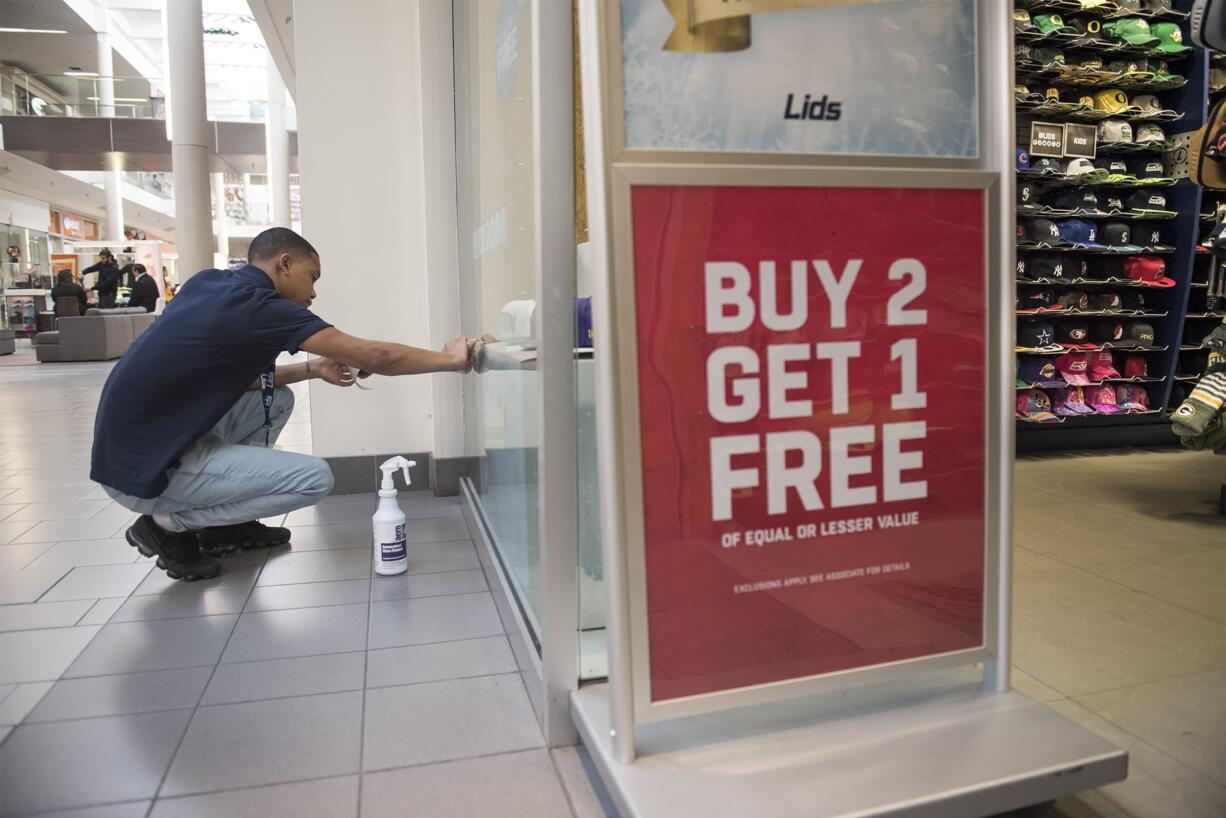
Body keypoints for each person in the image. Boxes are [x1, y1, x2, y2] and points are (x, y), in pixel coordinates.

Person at [90, 227, 470, 581]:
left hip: (128, 449)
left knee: (276, 399)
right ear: (284, 264)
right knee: (316, 478)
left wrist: (313, 369)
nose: (315, 291)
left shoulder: (210, 283)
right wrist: (451, 360)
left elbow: (243, 380)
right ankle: (165, 526)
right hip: (146, 471)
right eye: (313, 276)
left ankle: (226, 527)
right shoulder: (263, 308)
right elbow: (378, 356)